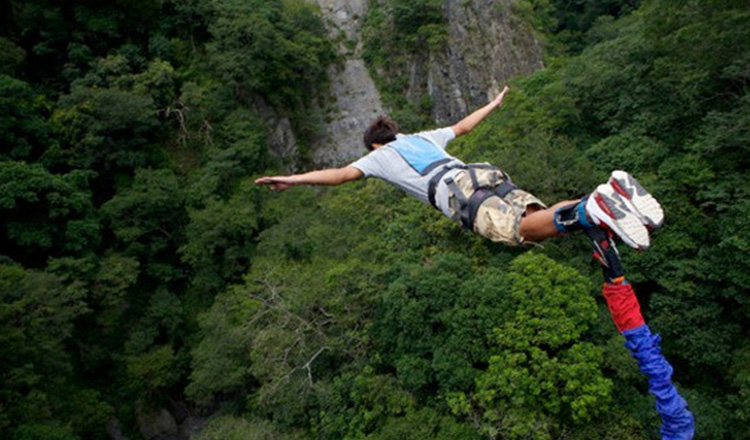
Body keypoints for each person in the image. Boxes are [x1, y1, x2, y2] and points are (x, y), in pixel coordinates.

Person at [255, 86, 663, 253]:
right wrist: (495, 103)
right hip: (483, 173)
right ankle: (603, 196)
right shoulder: (424, 136)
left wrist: (293, 178)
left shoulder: (378, 155)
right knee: (534, 216)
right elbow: (465, 125)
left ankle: (594, 210)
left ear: (376, 143)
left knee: (520, 230)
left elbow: (341, 175)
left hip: (458, 192)